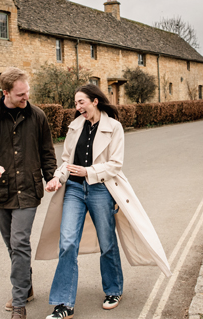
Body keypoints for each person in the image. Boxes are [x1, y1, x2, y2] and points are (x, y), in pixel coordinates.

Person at [37, 84, 170, 318]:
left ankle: (113, 290)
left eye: (81, 102)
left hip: (101, 189)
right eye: (75, 103)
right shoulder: (74, 127)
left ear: (95, 101)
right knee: (67, 243)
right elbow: (67, 161)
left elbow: (115, 165)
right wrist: (57, 178)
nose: (78, 107)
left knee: (107, 242)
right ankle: (64, 304)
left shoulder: (114, 127)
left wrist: (88, 171)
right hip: (74, 190)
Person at [0, 68, 58, 319]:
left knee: (20, 243)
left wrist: (51, 177)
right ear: (5, 92)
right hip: (1, 191)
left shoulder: (38, 116)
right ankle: (26, 287)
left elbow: (47, 151)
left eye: (27, 91)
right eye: (20, 94)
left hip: (28, 190)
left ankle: (19, 303)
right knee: (12, 245)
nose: (26, 97)